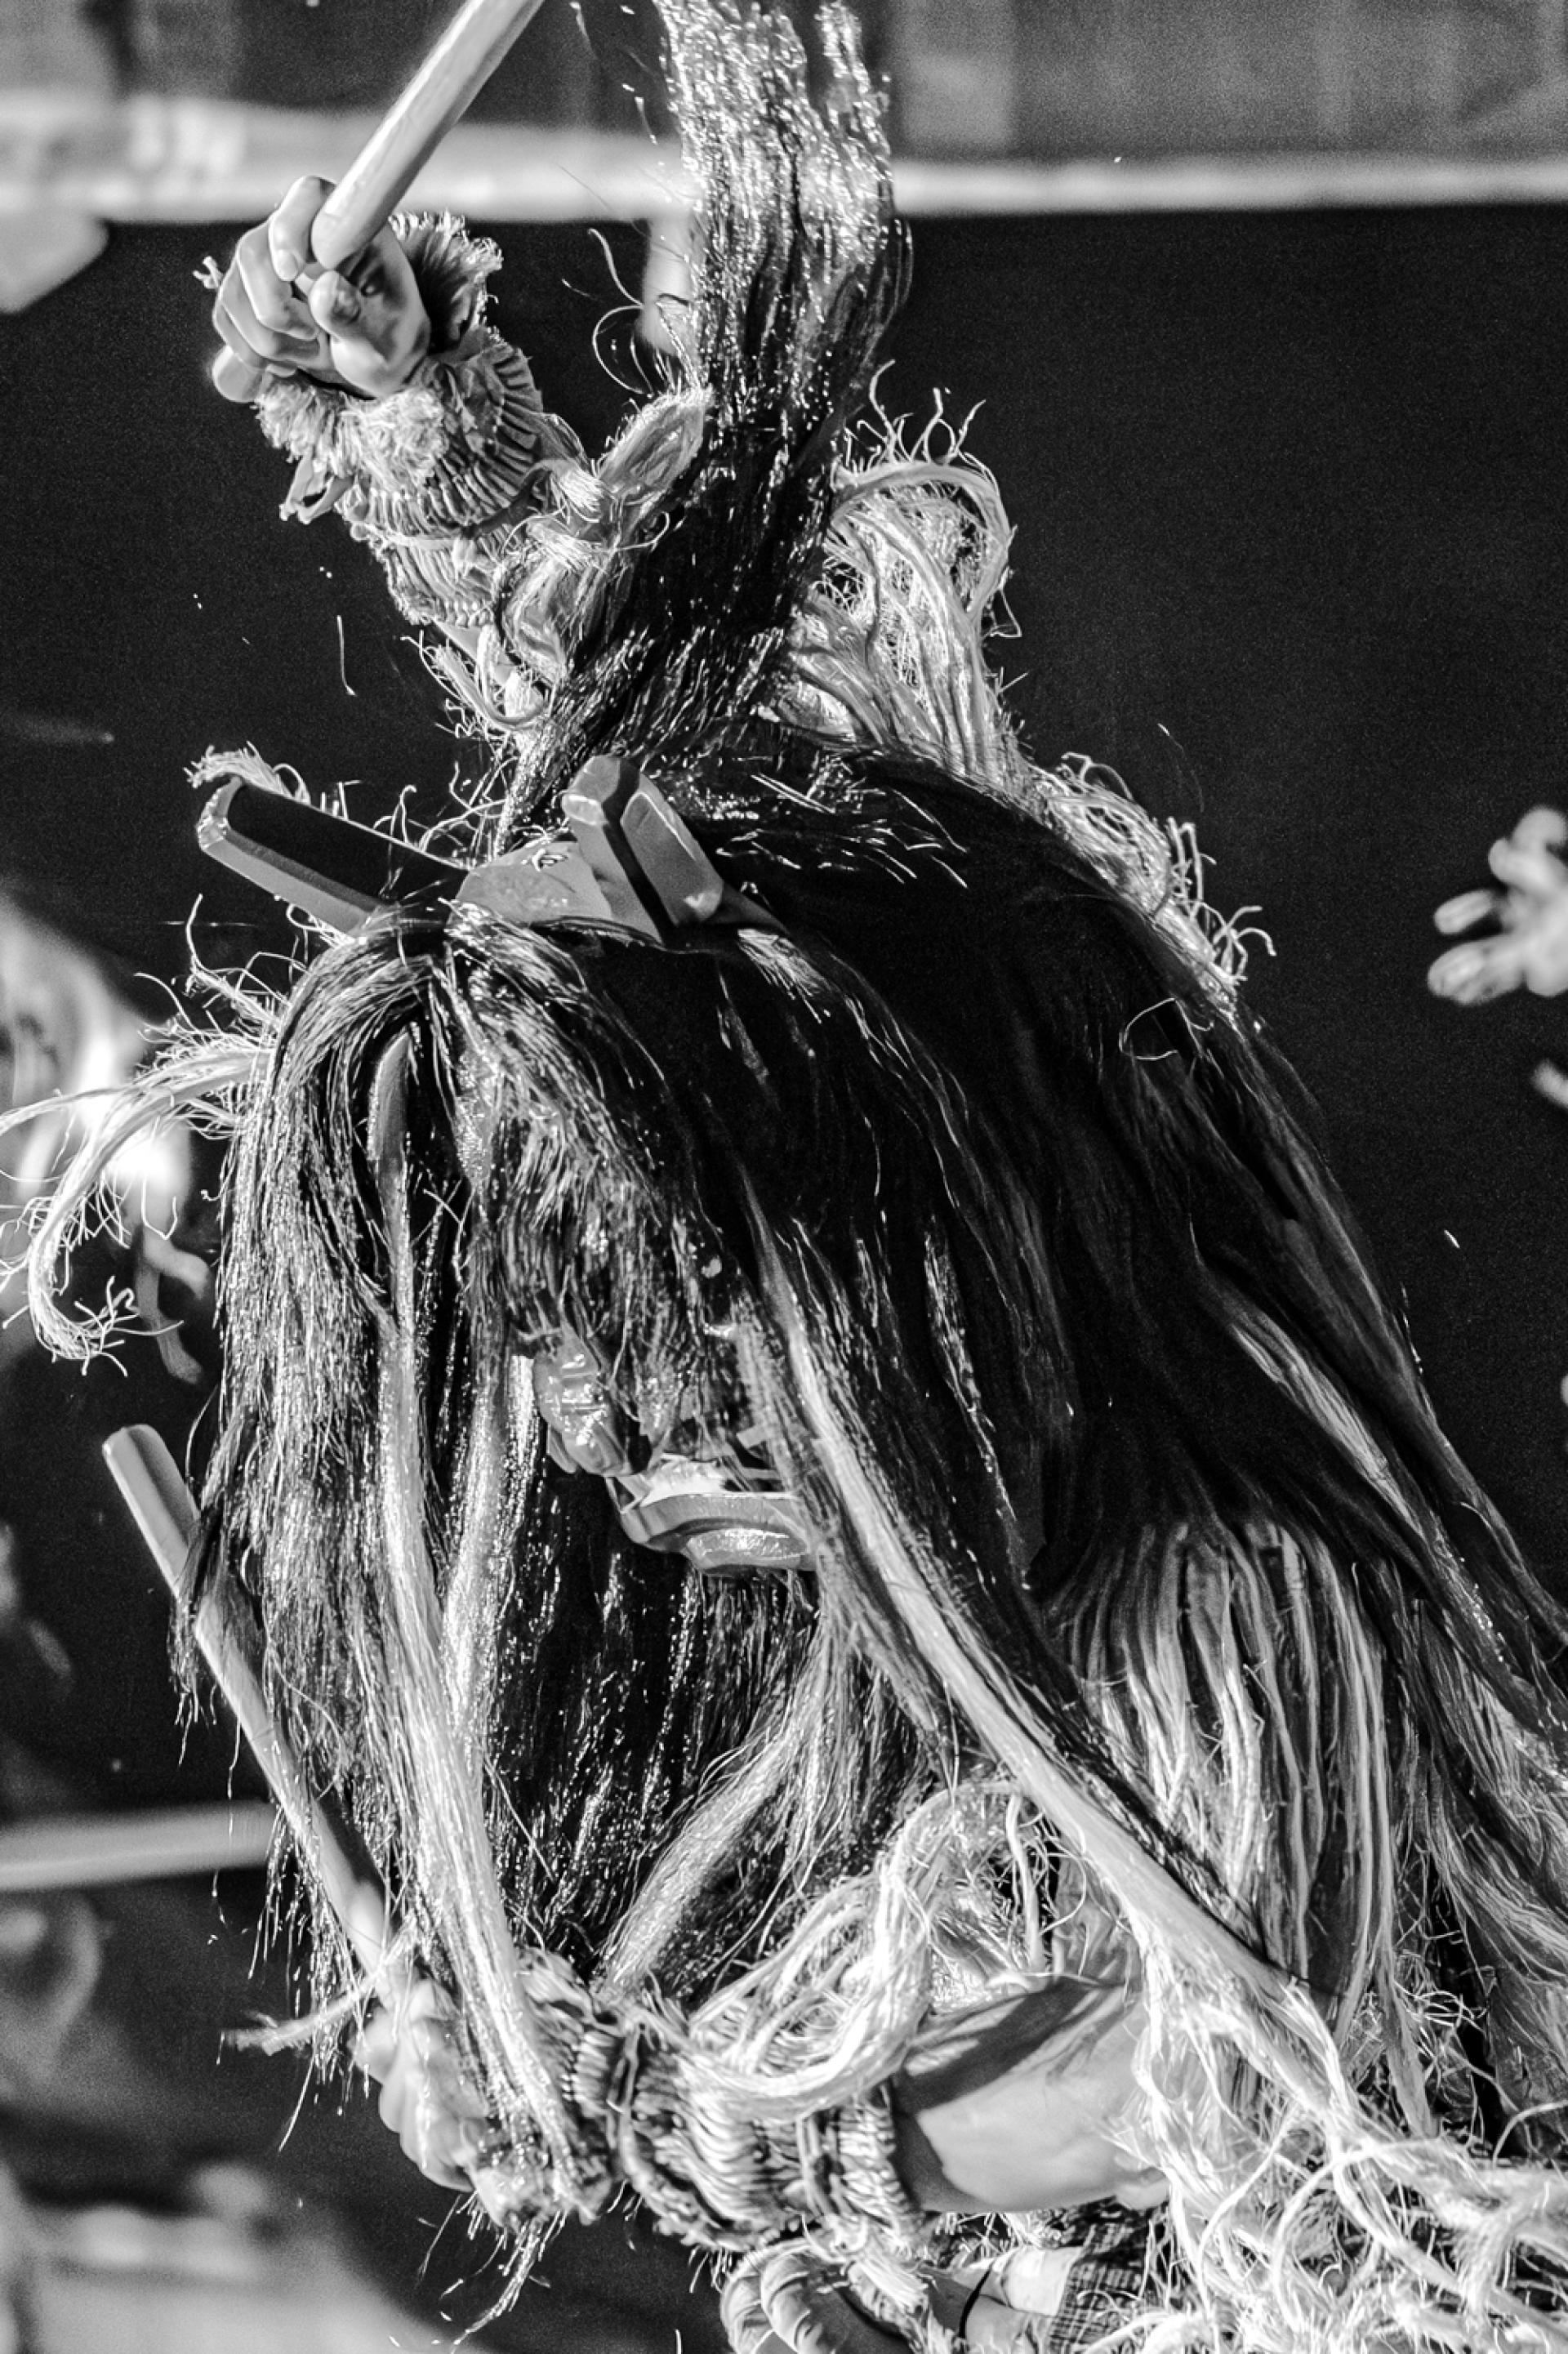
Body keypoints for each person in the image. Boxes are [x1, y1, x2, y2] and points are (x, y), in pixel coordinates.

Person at [29, 2, 1568, 2347]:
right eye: (570, 1364)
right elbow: (701, 898)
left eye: (664, 1357)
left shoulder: (1226, 1600)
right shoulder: (883, 1513)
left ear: (876, 1284)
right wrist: (432, 435)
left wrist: (633, 2116)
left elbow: (1196, 2086)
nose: (605, 1439)